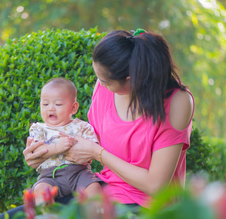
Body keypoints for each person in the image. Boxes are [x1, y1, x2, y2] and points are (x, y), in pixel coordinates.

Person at [24, 29, 194, 207]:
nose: (100, 84)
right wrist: (42, 153)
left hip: (149, 208)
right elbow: (85, 140)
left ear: (130, 80)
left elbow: (157, 185)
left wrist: (98, 154)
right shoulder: (104, 84)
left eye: (105, 81)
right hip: (105, 193)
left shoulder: (177, 101)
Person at [28, 77, 102, 205]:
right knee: (40, 192)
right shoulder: (39, 128)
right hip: (50, 176)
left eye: (58, 104)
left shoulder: (81, 127)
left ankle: (94, 218)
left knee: (94, 188)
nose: (50, 108)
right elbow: (36, 151)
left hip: (79, 172)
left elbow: (92, 148)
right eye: (45, 104)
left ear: (73, 108)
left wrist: (78, 148)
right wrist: (57, 148)